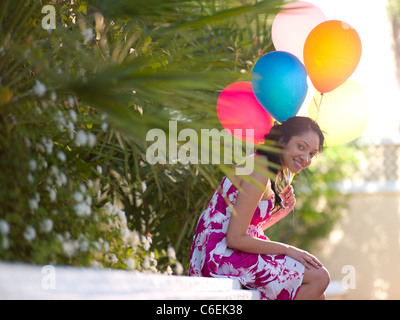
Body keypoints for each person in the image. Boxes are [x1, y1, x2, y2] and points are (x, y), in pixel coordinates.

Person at [188, 116, 330, 300]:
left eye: (312, 153)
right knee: (320, 277)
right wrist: (288, 249)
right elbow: (234, 238)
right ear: (282, 141)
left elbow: (249, 230)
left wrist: (284, 211)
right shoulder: (259, 169)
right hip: (220, 255)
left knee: (319, 295)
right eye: (301, 147)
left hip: (232, 250)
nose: (305, 158)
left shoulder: (265, 167)